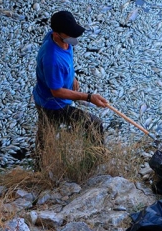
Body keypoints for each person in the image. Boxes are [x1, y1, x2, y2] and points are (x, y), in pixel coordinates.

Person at [32, 10, 108, 166]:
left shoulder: (60, 40)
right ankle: (95, 162)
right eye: (70, 33)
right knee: (94, 124)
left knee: (45, 135)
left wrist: (72, 76)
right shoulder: (52, 59)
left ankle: (40, 162)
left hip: (46, 97)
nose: (74, 37)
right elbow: (56, 91)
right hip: (52, 105)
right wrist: (88, 97)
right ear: (58, 34)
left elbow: (66, 61)